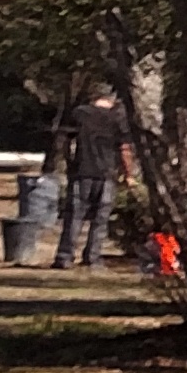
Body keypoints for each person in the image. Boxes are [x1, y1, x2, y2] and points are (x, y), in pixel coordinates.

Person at [54, 86, 131, 267]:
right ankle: (92, 257)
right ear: (112, 99)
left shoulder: (80, 113)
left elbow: (66, 141)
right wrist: (128, 174)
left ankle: (65, 257)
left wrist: (70, 163)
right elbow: (125, 149)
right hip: (107, 174)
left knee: (74, 215)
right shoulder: (117, 117)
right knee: (100, 219)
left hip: (82, 171)